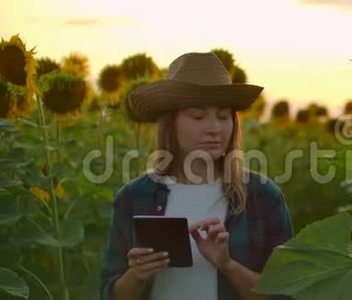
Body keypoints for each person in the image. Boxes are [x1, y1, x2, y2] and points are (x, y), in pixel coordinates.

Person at [100, 52, 294, 300]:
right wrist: (136, 275)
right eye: (198, 116)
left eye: (223, 116)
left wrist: (228, 265)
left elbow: (287, 292)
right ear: (171, 123)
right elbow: (109, 293)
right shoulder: (135, 197)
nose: (214, 128)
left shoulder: (263, 197)